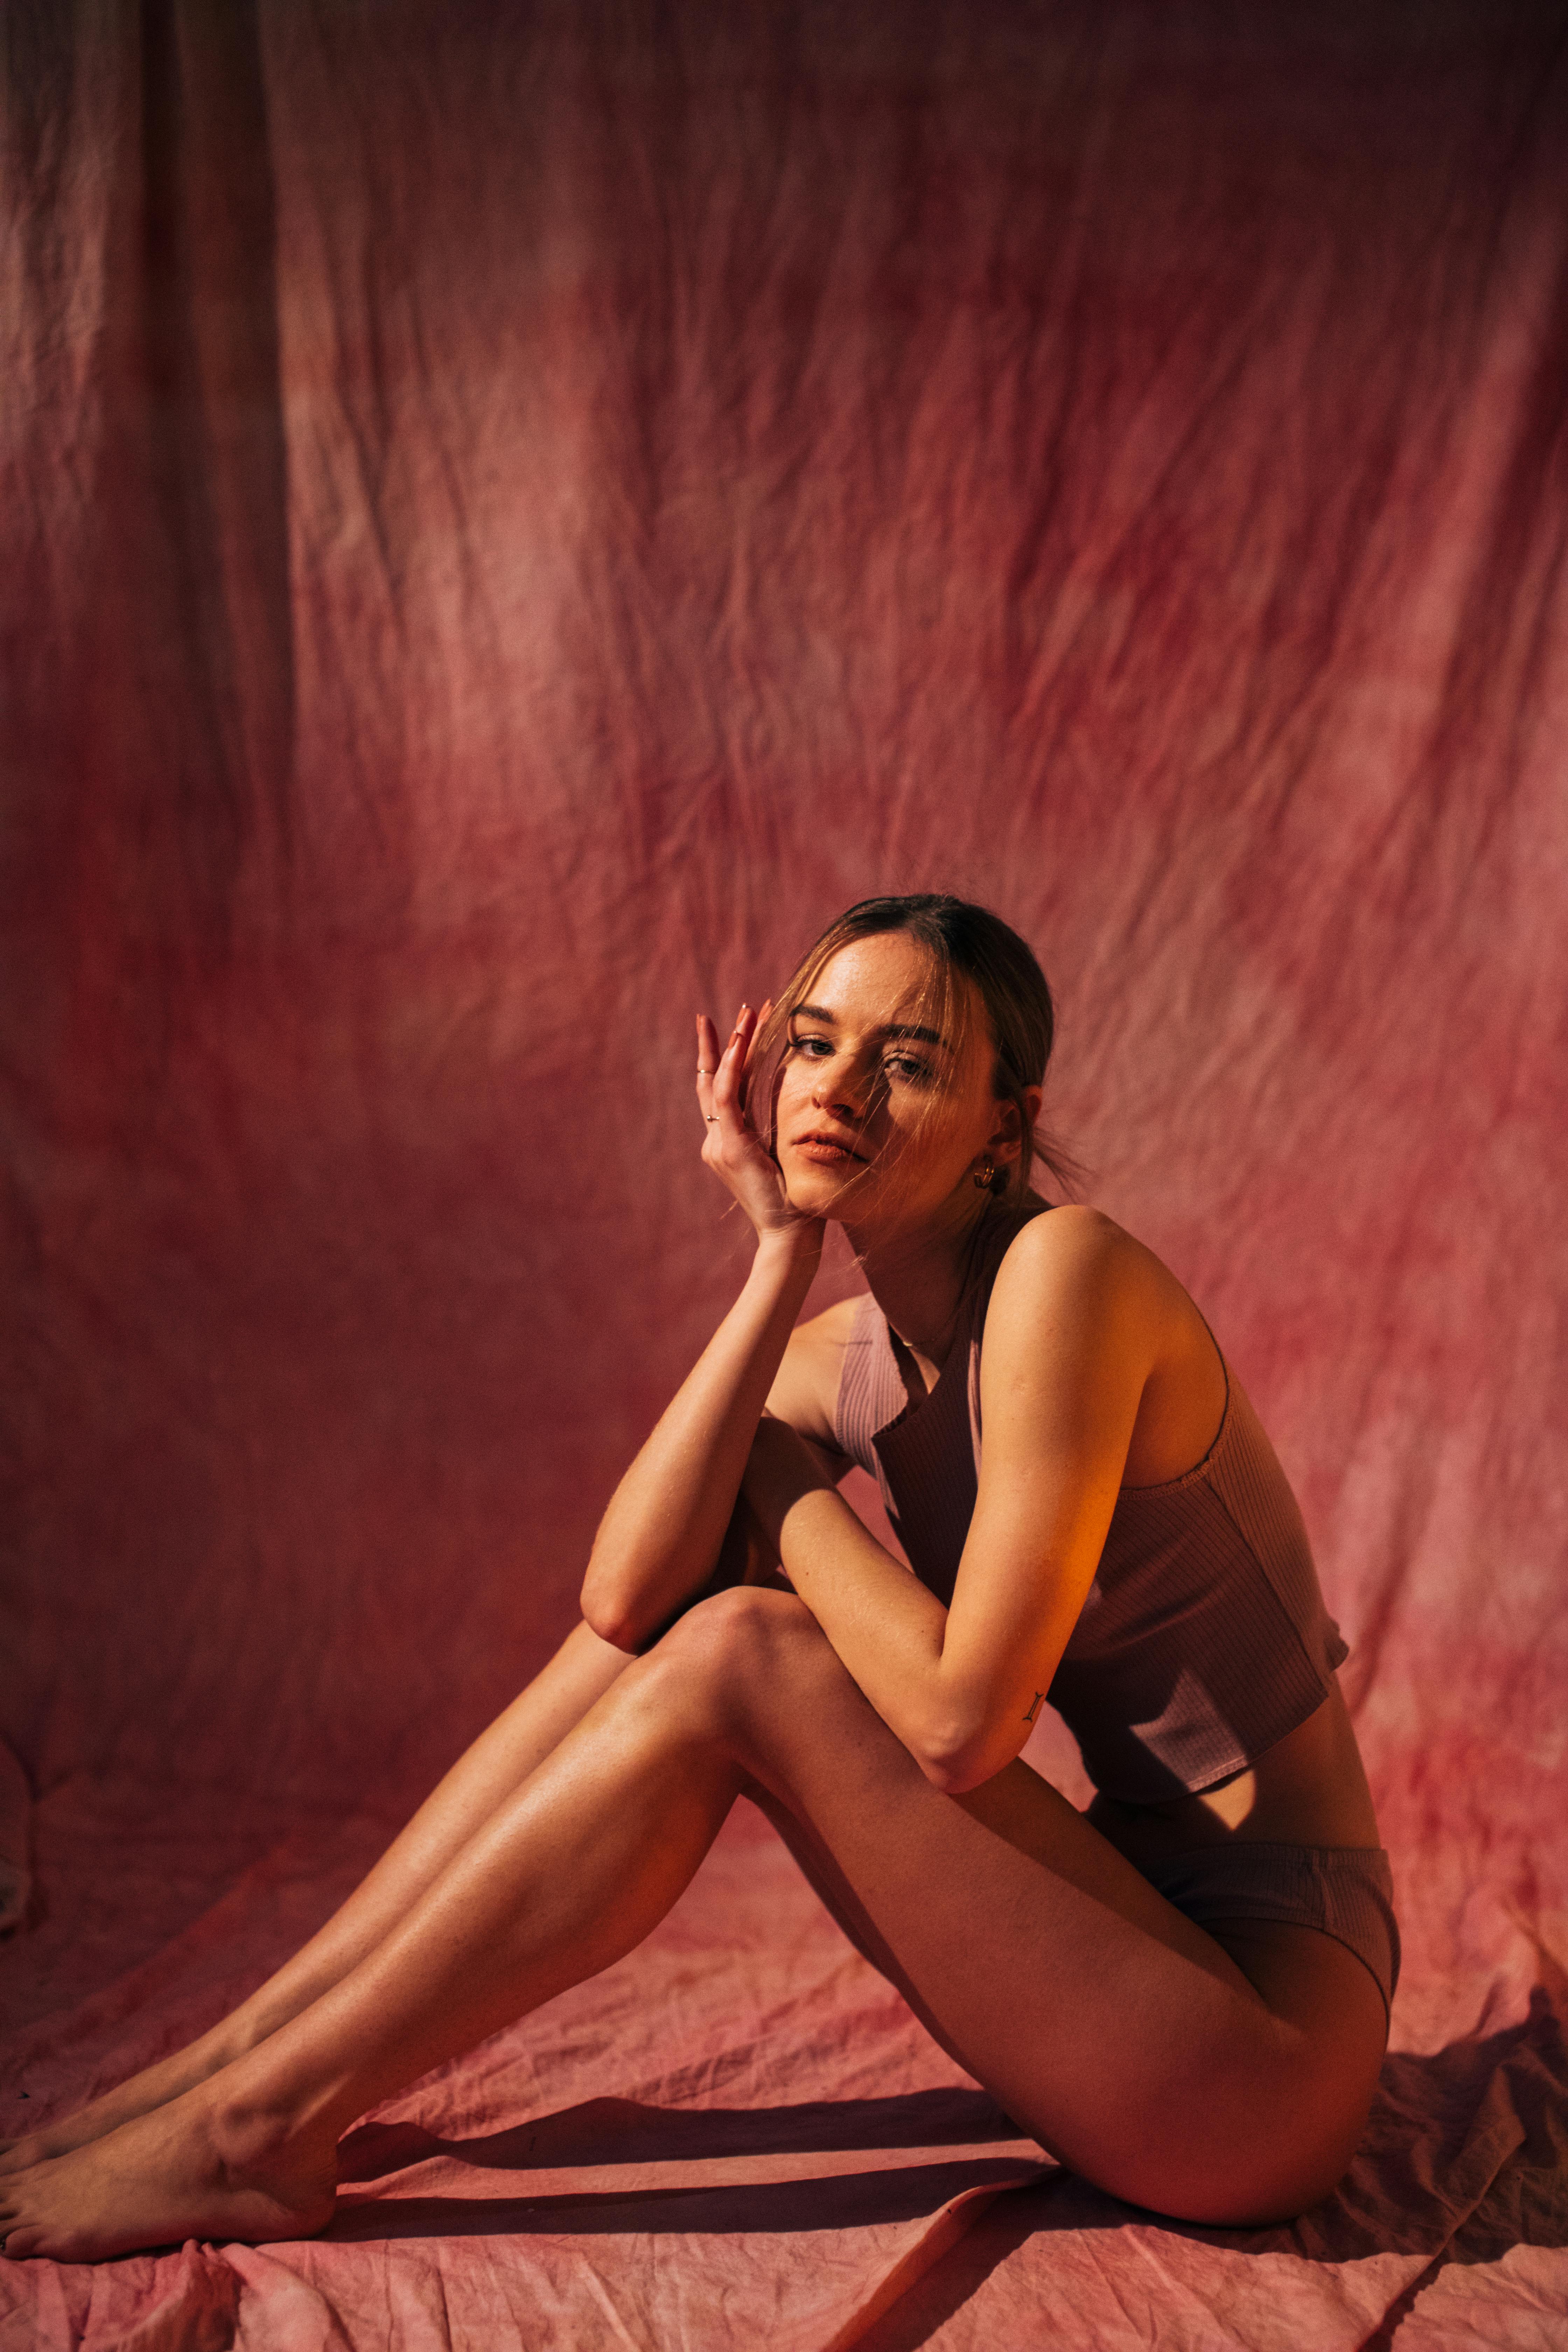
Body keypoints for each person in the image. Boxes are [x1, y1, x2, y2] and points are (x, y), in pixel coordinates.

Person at [0, 894, 1396, 2262]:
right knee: (703, 1604)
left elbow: (966, 1730)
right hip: (1122, 1943)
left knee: (746, 1642)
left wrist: (775, 1486)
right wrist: (776, 1256)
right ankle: (242, 2065)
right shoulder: (848, 1351)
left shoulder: (1064, 1274)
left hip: (1262, 2047)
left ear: (1004, 1129)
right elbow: (620, 1604)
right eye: (812, 1040)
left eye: (905, 1064)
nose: (836, 1086)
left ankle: (261, 2127)